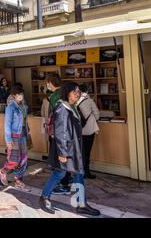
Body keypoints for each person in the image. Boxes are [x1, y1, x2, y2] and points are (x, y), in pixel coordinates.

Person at [39, 82, 101, 216]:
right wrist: (62, 153)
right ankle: (44, 198)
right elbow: (61, 132)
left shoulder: (72, 107)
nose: (77, 94)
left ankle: (82, 204)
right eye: (75, 92)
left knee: (79, 174)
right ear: (67, 93)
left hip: (74, 148)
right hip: (66, 149)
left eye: (78, 92)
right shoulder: (62, 108)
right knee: (59, 174)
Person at [0, 86, 31, 191]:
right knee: (14, 160)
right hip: (14, 136)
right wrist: (8, 140)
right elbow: (7, 124)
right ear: (13, 95)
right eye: (18, 94)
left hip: (23, 134)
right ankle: (3, 171)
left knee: (24, 159)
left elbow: (25, 121)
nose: (20, 96)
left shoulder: (24, 106)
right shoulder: (10, 107)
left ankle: (18, 181)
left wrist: (28, 131)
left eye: (21, 94)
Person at [44, 72, 70, 195]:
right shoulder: (66, 92)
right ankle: (67, 181)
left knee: (58, 159)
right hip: (68, 132)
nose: (46, 84)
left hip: (58, 132)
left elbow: (54, 116)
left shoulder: (54, 96)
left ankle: (62, 184)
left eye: (47, 82)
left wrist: (53, 132)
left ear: (50, 82)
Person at [77, 84, 100, 179]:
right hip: (89, 130)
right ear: (86, 90)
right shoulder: (89, 100)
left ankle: (79, 172)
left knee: (79, 151)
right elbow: (97, 114)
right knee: (87, 152)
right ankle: (86, 172)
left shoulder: (74, 101)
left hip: (78, 130)